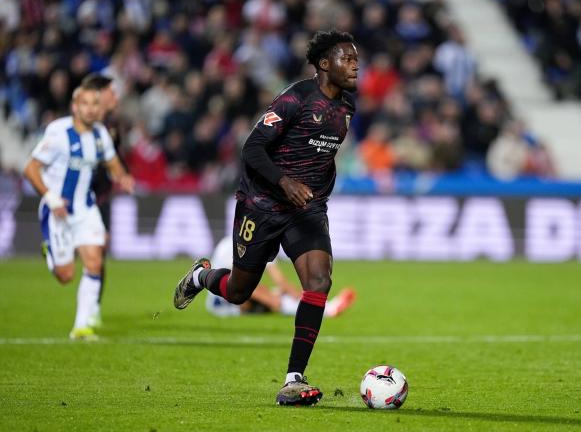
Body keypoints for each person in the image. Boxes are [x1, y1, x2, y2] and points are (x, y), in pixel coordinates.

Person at [172, 29, 358, 406]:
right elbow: (252, 148)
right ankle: (201, 275)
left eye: (356, 59)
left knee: (319, 281)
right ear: (324, 64)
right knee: (239, 292)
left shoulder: (347, 109)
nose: (355, 65)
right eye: (346, 58)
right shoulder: (295, 98)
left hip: (306, 210)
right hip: (262, 204)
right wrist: (284, 181)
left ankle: (294, 378)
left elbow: (324, 157)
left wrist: (317, 193)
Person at [23, 85, 134, 341]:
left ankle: (82, 327)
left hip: (86, 208)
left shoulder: (100, 134)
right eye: (85, 104)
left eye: (95, 104)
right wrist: (50, 198)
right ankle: (50, 249)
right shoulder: (59, 133)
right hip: (58, 210)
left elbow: (111, 159)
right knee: (66, 275)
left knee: (95, 261)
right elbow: (30, 168)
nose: (91, 109)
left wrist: (123, 176)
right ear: (75, 107)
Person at [205, 236, 356, 317]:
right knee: (273, 298)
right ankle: (328, 310)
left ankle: (324, 307)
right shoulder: (230, 246)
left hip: (237, 298)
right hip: (223, 303)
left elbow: (281, 281)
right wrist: (271, 299)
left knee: (278, 292)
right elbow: (236, 283)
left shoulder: (262, 241)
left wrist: (300, 295)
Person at [82, 72, 121, 328]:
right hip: (82, 198)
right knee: (68, 266)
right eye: (111, 91)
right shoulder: (82, 124)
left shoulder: (113, 125)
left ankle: (92, 306)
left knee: (99, 252)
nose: (115, 96)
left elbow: (116, 159)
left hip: (102, 198)